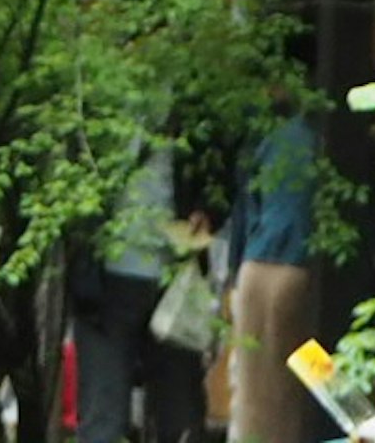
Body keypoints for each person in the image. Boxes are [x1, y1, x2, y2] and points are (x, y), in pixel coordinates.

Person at [69, 144, 206, 443]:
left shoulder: (194, 105)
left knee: (180, 421)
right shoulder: (88, 107)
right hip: (103, 283)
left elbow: (216, 167)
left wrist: (208, 210)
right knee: (102, 420)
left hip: (177, 281)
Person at [226, 93, 321, 443]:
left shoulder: (271, 139)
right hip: (298, 270)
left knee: (250, 394)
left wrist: (233, 277)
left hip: (254, 267)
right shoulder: (329, 145)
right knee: (292, 397)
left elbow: (244, 210)